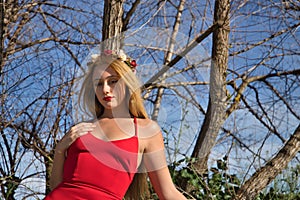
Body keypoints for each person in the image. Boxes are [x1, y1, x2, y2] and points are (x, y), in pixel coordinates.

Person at [45, 49, 187, 200]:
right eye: (99, 84)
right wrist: (60, 149)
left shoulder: (146, 130)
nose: (105, 89)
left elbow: (168, 193)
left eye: (112, 81)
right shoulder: (81, 129)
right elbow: (58, 187)